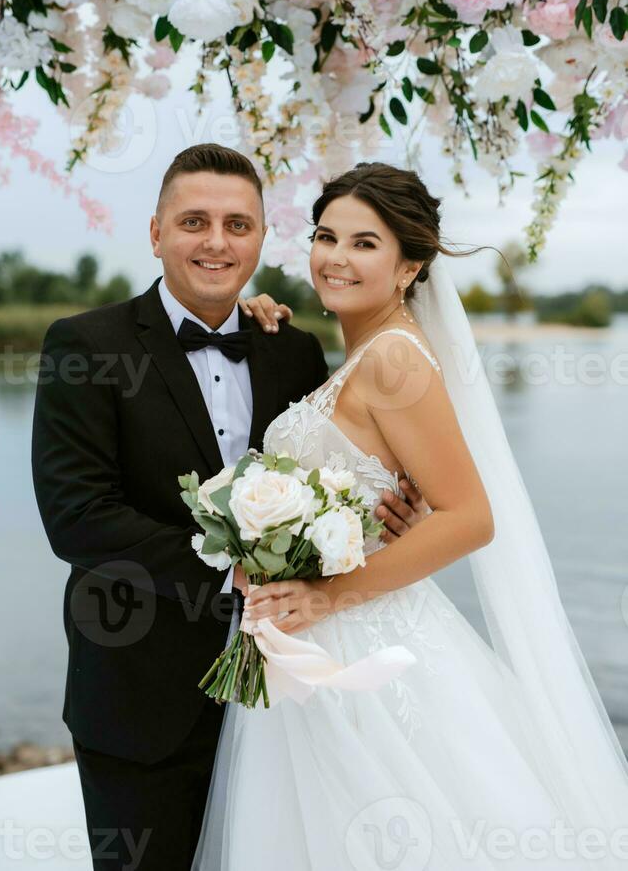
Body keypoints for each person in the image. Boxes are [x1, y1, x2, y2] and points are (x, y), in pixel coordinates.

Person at [192, 162, 628, 871]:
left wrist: (327, 593)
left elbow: (469, 517)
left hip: (365, 644)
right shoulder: (360, 353)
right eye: (327, 236)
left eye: (365, 243)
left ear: (409, 267)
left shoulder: (392, 357)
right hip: (320, 645)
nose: (336, 257)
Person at [30, 145, 421, 871]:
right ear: (155, 233)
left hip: (283, 699)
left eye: (238, 224)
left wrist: (387, 517)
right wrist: (229, 575)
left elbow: (340, 474)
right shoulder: (85, 345)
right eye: (194, 221)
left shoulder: (292, 349)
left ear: (262, 238)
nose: (217, 241)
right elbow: (77, 515)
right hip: (138, 696)